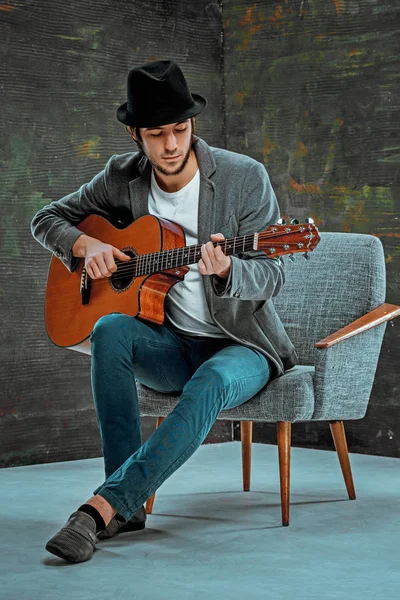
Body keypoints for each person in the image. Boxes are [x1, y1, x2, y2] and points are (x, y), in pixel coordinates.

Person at [31, 60, 298, 563]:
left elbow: (274, 274)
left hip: (243, 346)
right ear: (136, 134)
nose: (171, 145)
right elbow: (45, 219)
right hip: (171, 343)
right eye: (157, 134)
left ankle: (103, 507)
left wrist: (227, 272)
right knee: (109, 329)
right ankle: (127, 508)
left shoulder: (244, 178)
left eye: (180, 130)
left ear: (192, 125)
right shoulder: (121, 178)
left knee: (213, 380)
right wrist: (86, 245)